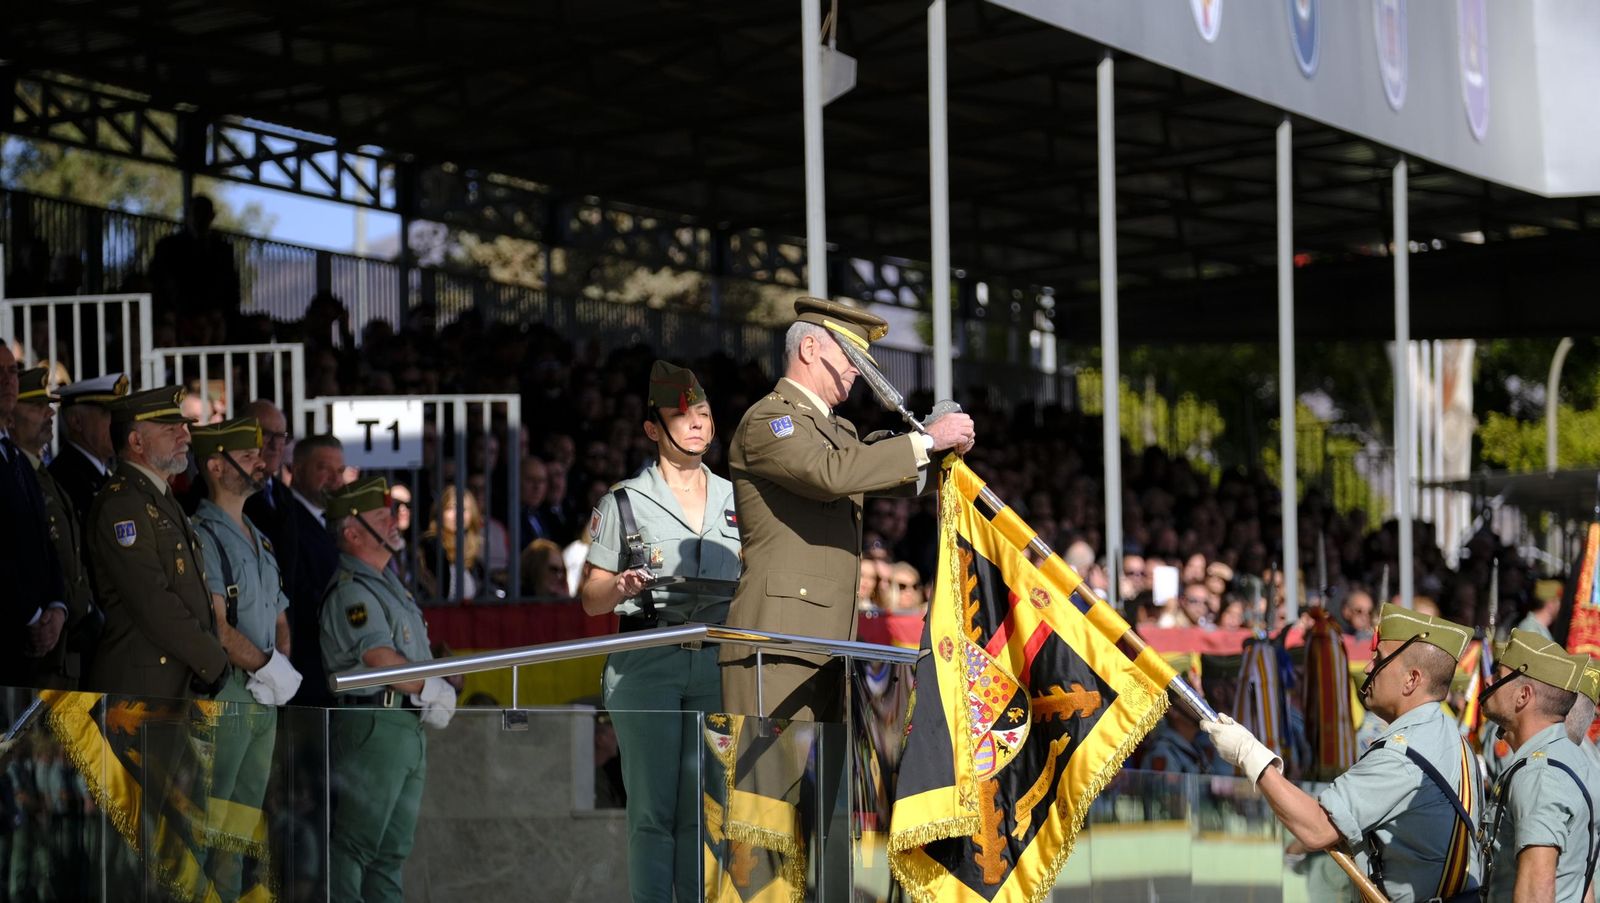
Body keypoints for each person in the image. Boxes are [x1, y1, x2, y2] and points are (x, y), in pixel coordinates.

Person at [720, 297, 975, 721]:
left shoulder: (837, 430)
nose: (858, 369)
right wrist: (926, 440)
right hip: (777, 642)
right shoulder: (769, 420)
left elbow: (882, 475)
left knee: (824, 786)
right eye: (850, 355)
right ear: (809, 350)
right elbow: (831, 473)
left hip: (831, 643)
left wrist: (946, 456)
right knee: (768, 786)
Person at [579, 361, 741, 903]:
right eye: (681, 414)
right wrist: (621, 585)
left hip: (717, 660)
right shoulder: (622, 501)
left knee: (708, 807)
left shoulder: (737, 499)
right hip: (647, 658)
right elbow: (590, 597)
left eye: (704, 413)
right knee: (653, 812)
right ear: (653, 429)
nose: (696, 423)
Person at [1204, 603, 1483, 903]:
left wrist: (1249, 754)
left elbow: (1317, 828)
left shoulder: (1402, 754)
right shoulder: (1450, 736)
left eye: (1379, 659)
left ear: (1411, 679)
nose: (1366, 668)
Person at [321, 476, 455, 903]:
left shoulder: (386, 582)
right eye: (383, 516)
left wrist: (431, 684)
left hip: (401, 723)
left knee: (391, 852)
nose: (395, 521)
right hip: (374, 722)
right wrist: (431, 686)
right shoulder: (353, 590)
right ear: (353, 532)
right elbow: (379, 658)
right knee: (354, 846)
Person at [188, 417, 301, 898]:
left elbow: (279, 616)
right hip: (229, 693)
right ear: (216, 465)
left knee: (241, 827)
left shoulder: (259, 534)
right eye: (248, 453)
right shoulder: (202, 534)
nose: (261, 461)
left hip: (258, 693)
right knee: (207, 823)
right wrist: (266, 668)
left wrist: (278, 669)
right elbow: (216, 624)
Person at [85, 385, 229, 698]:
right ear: (136, 441)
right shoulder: (122, 504)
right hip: (140, 692)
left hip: (172, 685)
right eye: (170, 430)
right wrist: (211, 659)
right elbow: (152, 599)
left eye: (184, 428)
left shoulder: (158, 496)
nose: (186, 437)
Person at [1477, 630, 1600, 903]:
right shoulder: (1572, 756)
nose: (1488, 681)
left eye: (1498, 677)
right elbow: (1582, 883)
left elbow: (1536, 893)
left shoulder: (1540, 773)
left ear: (1523, 696)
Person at [12, 368, 98, 688]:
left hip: (64, 648)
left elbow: (69, 559)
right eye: (36, 406)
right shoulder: (17, 476)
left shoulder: (43, 475)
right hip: (32, 652)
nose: (49, 413)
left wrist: (65, 607)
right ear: (8, 415)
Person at [0, 348, 70, 690]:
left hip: (29, 650)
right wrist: (31, 615)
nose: (7, 381)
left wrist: (55, 607)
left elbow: (44, 543)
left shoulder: (14, 457)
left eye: (12, 371)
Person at [285, 434, 345, 706]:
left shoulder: (332, 521)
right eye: (324, 468)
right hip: (305, 672)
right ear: (297, 470)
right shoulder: (286, 519)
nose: (335, 479)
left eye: (340, 470)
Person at [149, 195, 241, 342]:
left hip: (215, 317)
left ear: (212, 216)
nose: (201, 218)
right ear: (188, 215)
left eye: (205, 213)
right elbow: (160, 282)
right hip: (180, 314)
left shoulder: (223, 249)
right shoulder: (169, 247)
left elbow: (231, 285)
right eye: (196, 212)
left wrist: (220, 313)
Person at [49, 373, 129, 523]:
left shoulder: (105, 473)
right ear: (77, 422)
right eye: (107, 413)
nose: (117, 423)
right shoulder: (65, 478)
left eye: (118, 414)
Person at [419, 483, 486, 601]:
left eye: (463, 509)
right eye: (451, 508)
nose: (458, 514)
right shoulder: (432, 545)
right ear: (440, 512)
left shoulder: (473, 555)